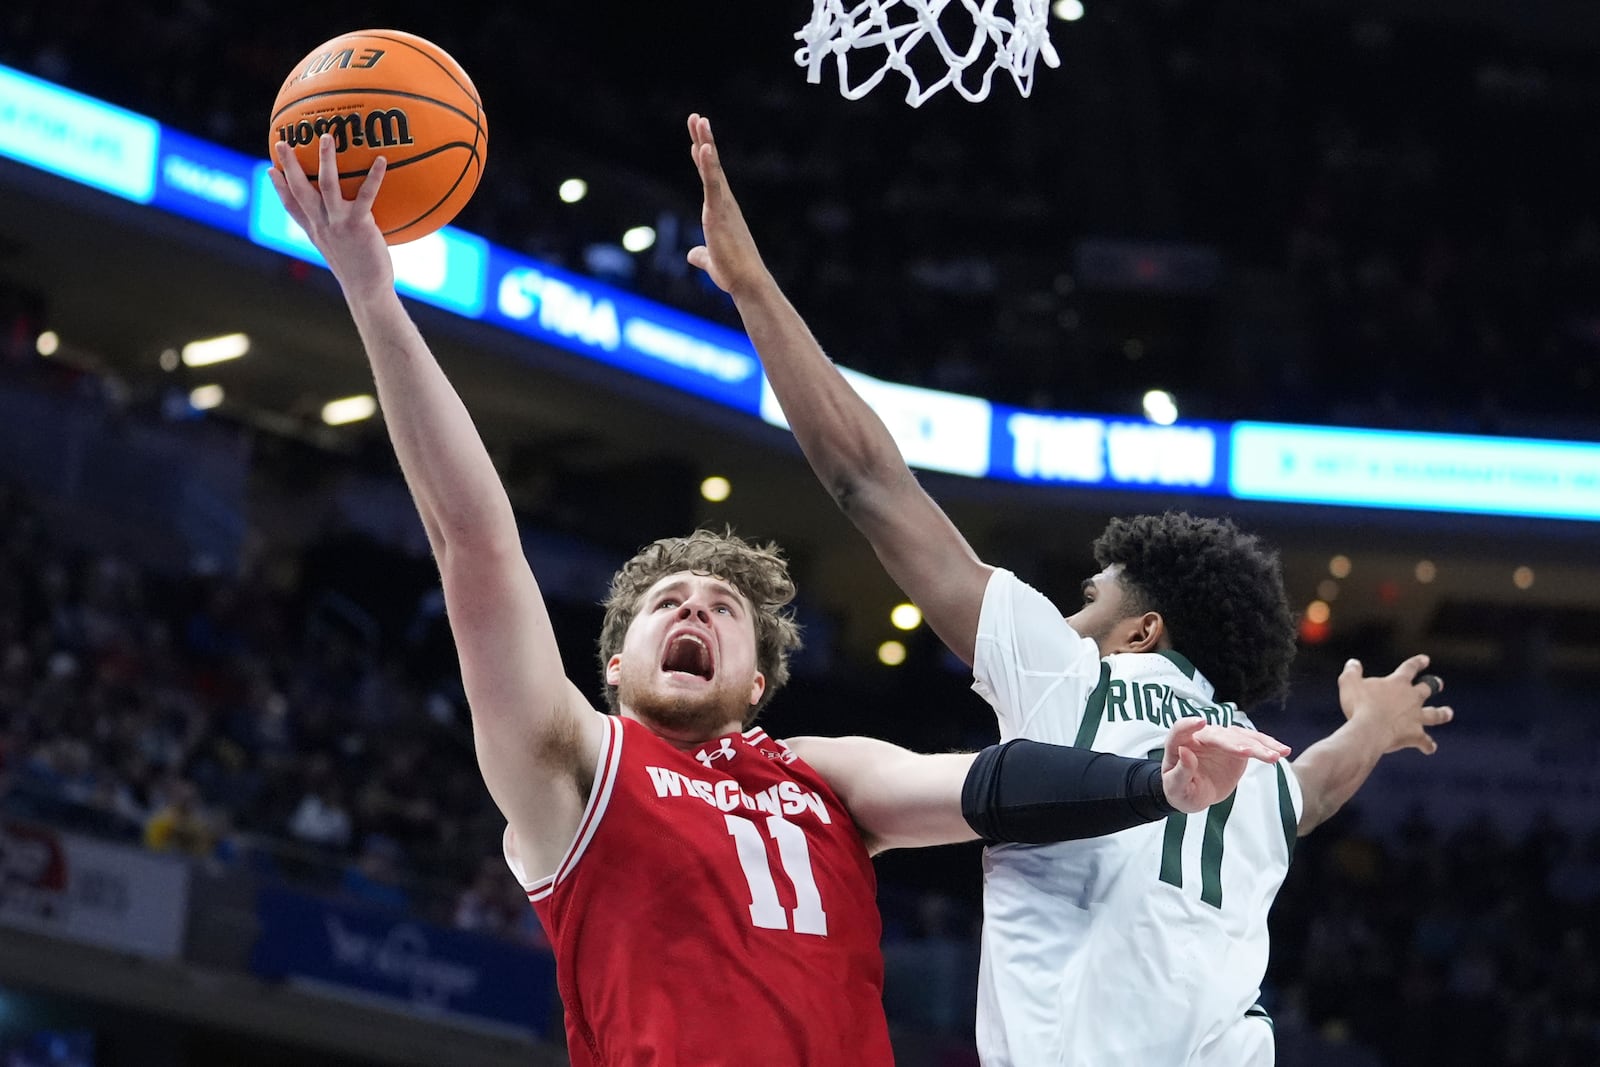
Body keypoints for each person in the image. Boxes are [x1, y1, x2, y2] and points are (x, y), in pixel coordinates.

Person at [270, 134, 1294, 1064]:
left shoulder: (819, 777)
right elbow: (474, 543)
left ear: (758, 678)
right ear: (612, 663)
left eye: (721, 607)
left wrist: (1150, 787)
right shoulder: (573, 764)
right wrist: (373, 295)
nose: (693, 609)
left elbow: (987, 788)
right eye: (665, 602)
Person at [683, 112, 1457, 1066]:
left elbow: (870, 483)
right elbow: (1316, 789)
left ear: (1139, 631)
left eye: (1087, 599)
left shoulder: (1069, 677)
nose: (1064, 613)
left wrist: (753, 290)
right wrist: (1373, 727)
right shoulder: (1255, 771)